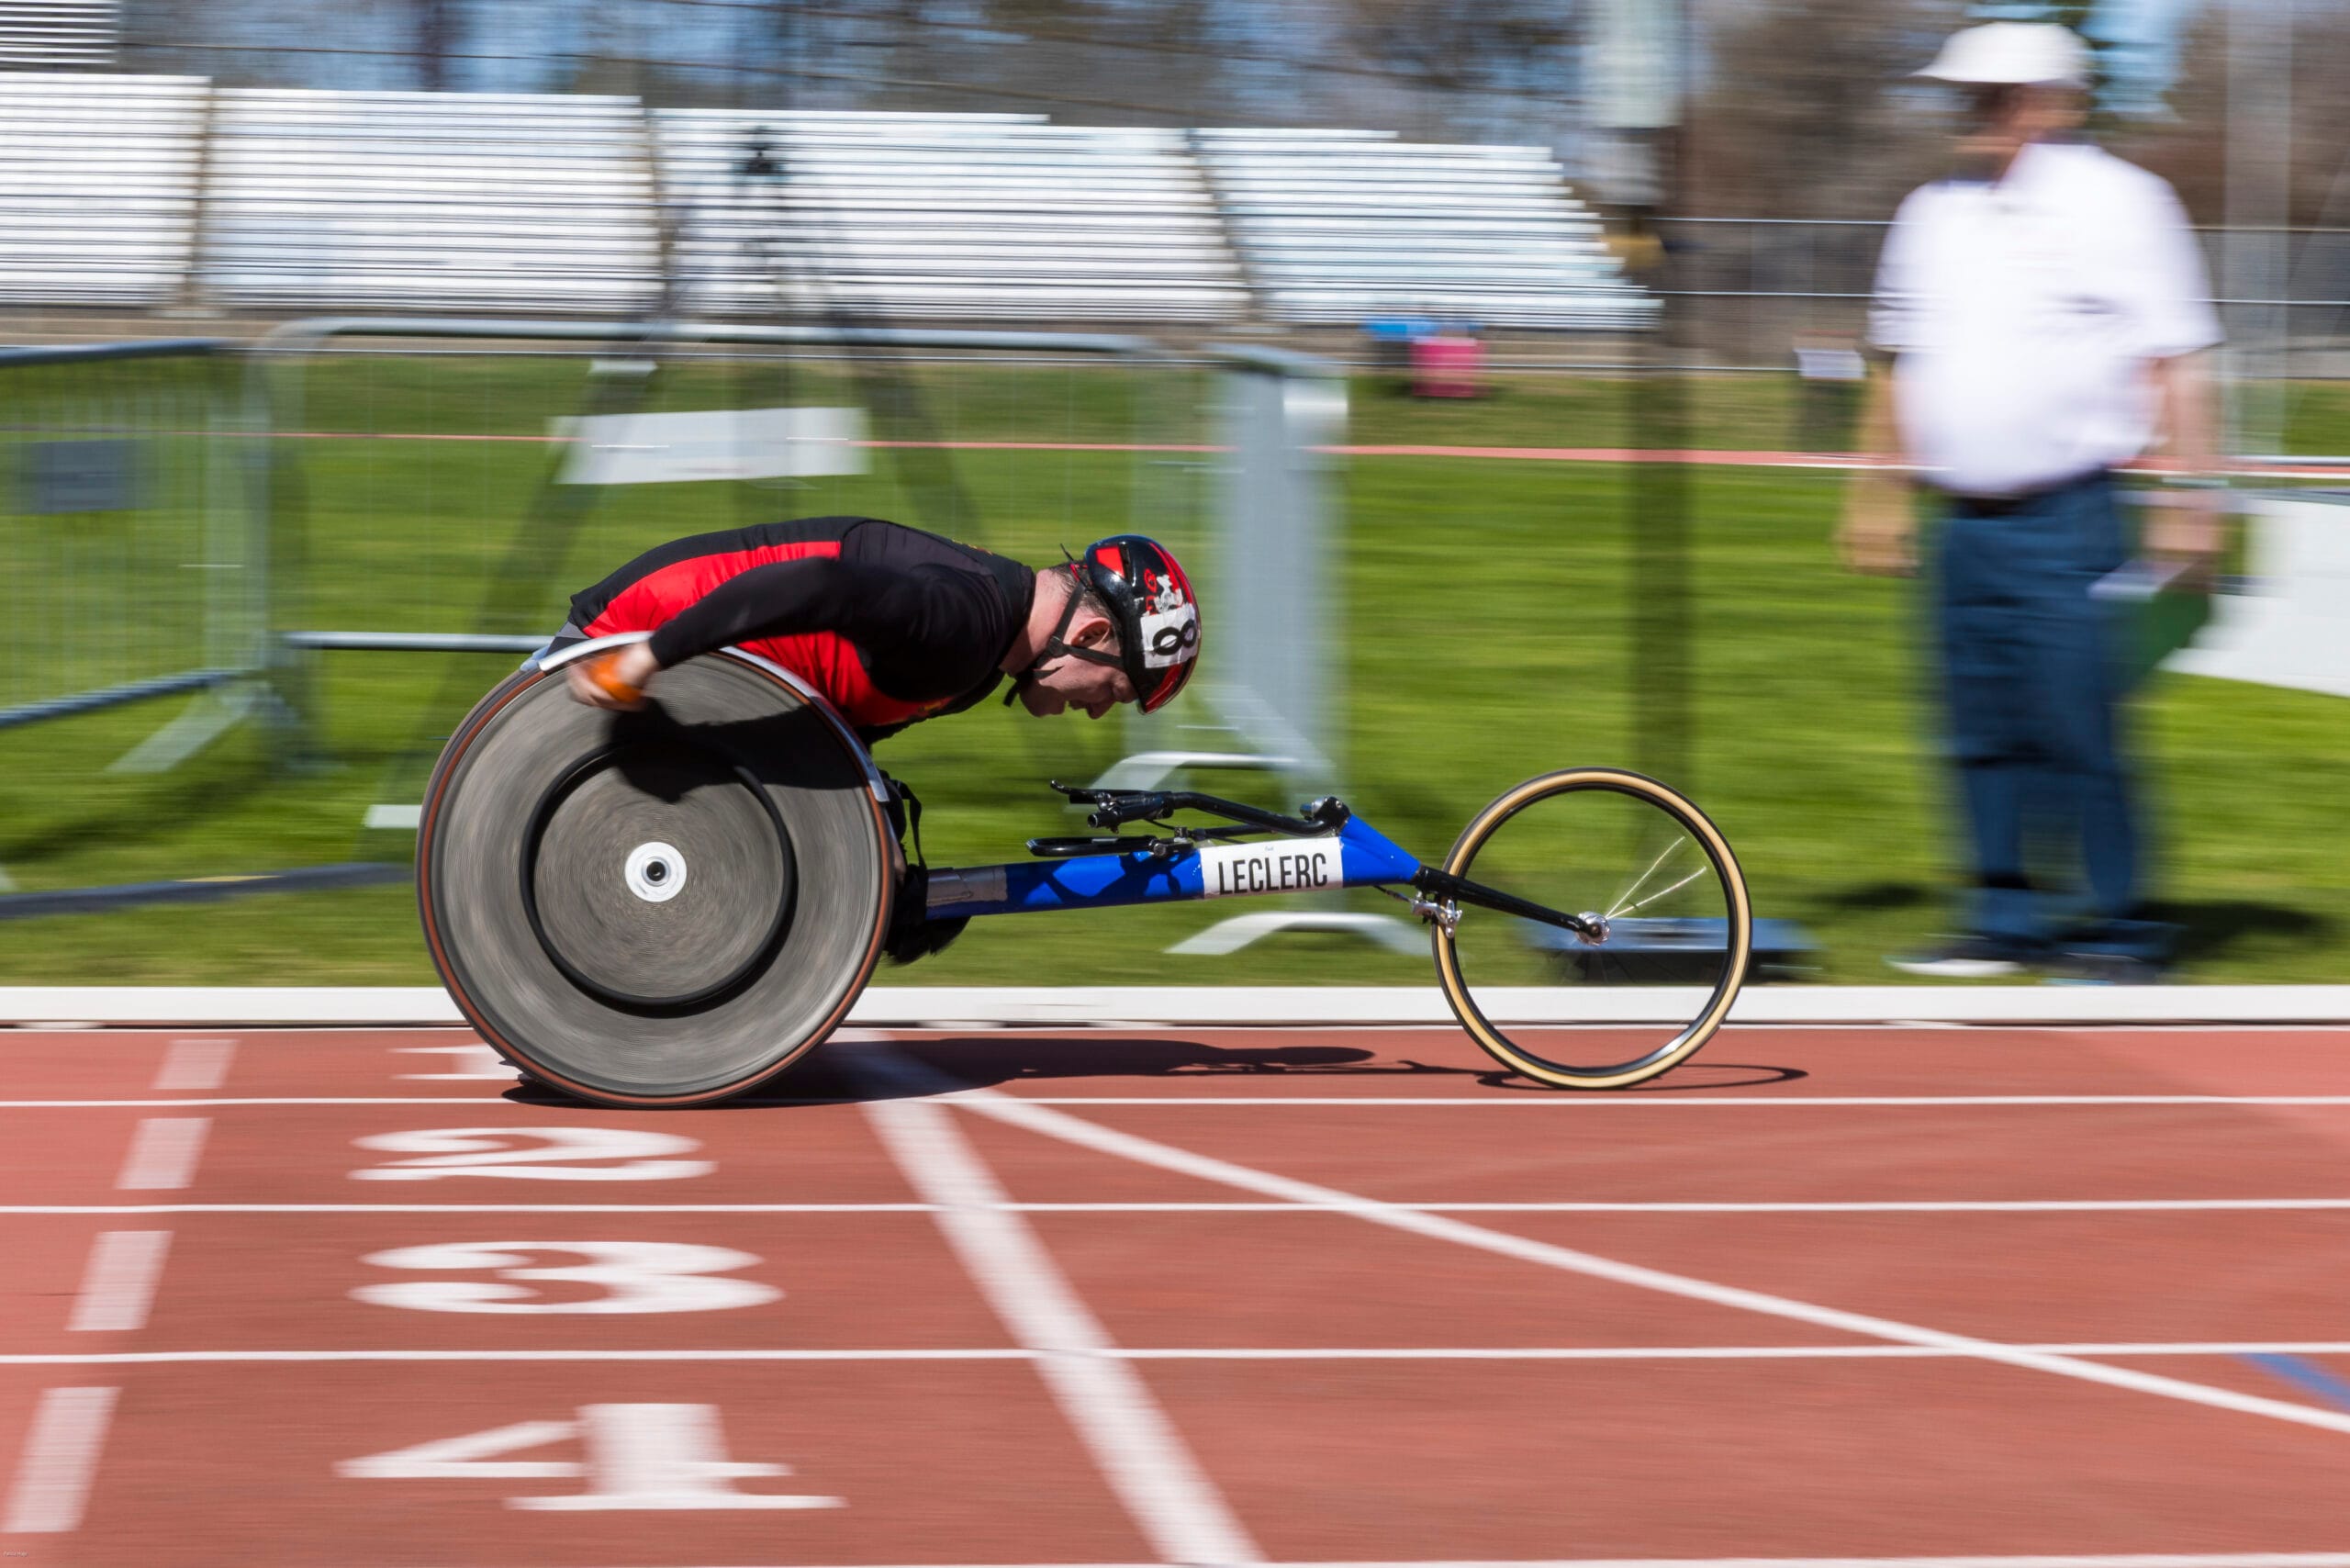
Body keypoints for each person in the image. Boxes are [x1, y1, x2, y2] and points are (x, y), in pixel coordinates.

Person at [1838, 21, 2224, 981]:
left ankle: (2122, 927)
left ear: (2054, 100)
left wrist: (2192, 499)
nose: (1974, 111)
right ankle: (2000, 918)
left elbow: (2178, 358)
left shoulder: (2127, 203)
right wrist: (1873, 492)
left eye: (1996, 94)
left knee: (2076, 722)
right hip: (1961, 521)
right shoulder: (1928, 210)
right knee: (1974, 723)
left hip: (2070, 515)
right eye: (1966, 94)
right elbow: (1894, 360)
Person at [554, 516, 1201, 742]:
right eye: (1117, 691)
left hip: (691, 689)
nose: (1096, 715)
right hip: (613, 652)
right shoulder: (963, 627)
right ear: (1088, 636)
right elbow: (815, 585)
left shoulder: (982, 657)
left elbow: (826, 739)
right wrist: (645, 659)